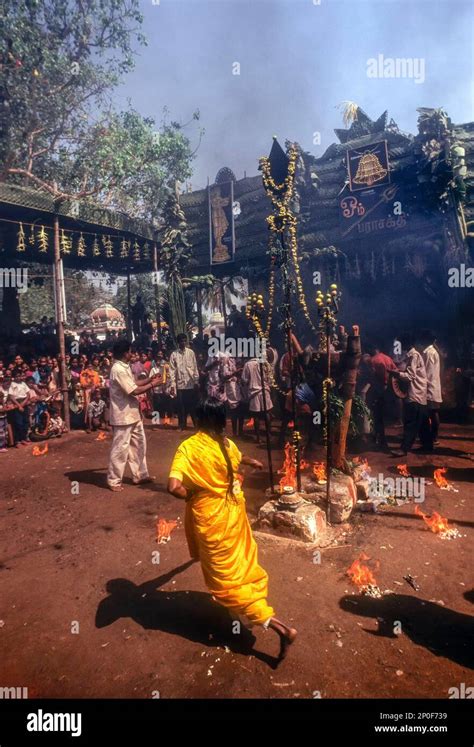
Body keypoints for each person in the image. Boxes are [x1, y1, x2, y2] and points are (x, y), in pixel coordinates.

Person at [167, 398, 297, 660]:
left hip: (210, 519)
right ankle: (243, 614)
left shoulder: (188, 448)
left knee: (223, 580)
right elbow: (238, 457)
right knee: (240, 565)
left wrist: (189, 495)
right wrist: (252, 462)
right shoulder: (225, 443)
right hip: (234, 514)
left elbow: (173, 486)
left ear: (198, 420)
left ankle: (276, 624)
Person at [106, 339, 160, 492]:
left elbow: (133, 382)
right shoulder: (118, 369)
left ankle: (140, 475)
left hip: (132, 413)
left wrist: (149, 379)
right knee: (120, 448)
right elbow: (133, 390)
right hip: (122, 415)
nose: (132, 354)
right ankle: (114, 480)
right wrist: (153, 385)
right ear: (125, 353)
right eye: (130, 351)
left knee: (139, 445)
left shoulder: (124, 367)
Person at [390, 333, 431, 457]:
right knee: (423, 423)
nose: (400, 346)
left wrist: (397, 374)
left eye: (401, 343)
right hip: (420, 394)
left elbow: (410, 376)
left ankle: (404, 449)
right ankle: (428, 446)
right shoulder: (413, 355)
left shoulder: (414, 355)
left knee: (410, 423)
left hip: (415, 394)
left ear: (407, 344)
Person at [367, 343, 398, 450]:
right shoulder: (388, 358)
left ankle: (380, 440)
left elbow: (372, 375)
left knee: (377, 416)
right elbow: (396, 371)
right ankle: (381, 440)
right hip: (388, 390)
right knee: (382, 417)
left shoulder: (373, 360)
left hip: (378, 390)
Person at [169, 333, 199, 431]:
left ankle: (196, 425)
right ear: (178, 342)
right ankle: (182, 425)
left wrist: (196, 381)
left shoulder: (191, 353)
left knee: (192, 406)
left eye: (184, 340)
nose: (183, 342)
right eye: (181, 341)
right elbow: (172, 371)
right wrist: (173, 385)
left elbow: (195, 368)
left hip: (190, 384)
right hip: (180, 385)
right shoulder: (174, 354)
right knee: (181, 406)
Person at [241, 355, 273, 444]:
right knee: (267, 413)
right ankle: (268, 434)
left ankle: (258, 437)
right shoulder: (265, 363)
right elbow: (270, 379)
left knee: (256, 416)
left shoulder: (248, 364)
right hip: (265, 390)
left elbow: (244, 379)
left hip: (254, 392)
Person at [420, 329, 442, 445]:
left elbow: (427, 372)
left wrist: (422, 384)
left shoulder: (428, 352)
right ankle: (433, 437)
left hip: (429, 387)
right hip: (433, 386)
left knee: (430, 413)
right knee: (434, 413)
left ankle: (431, 437)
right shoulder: (433, 351)